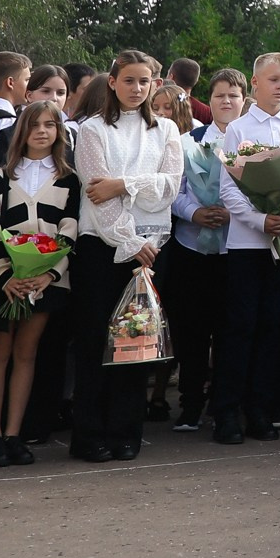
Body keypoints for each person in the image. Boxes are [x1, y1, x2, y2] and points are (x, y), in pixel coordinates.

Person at [69, 50, 181, 463]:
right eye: (129, 80)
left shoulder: (166, 129)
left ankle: (125, 431)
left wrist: (123, 183)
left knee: (137, 342)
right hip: (104, 246)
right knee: (96, 342)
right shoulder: (93, 130)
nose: (137, 88)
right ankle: (89, 435)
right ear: (112, 82)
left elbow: (170, 186)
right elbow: (97, 193)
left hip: (153, 247)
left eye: (145, 81)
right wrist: (131, 240)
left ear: (154, 85)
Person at [213, 52, 280, 445]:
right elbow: (229, 187)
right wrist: (260, 221)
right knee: (240, 326)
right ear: (255, 83)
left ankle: (259, 408)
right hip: (247, 244)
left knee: (272, 326)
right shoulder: (238, 129)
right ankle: (226, 411)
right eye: (274, 79)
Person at [0, 99, 78, 467]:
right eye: (35, 125)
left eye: (50, 125)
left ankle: (15, 433)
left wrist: (48, 274)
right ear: (22, 130)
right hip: (3, 280)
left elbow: (69, 231)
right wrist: (5, 275)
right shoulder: (2, 176)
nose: (42, 132)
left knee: (26, 353)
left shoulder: (69, 178)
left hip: (44, 282)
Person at [164, 69, 242, 430]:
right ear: (209, 100)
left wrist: (236, 213)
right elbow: (173, 193)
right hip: (191, 248)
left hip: (234, 249)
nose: (226, 101)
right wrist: (195, 212)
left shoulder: (252, 144)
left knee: (229, 332)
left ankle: (222, 403)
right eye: (220, 95)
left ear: (244, 100)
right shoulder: (188, 140)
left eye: (234, 95)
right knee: (191, 331)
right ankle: (191, 402)